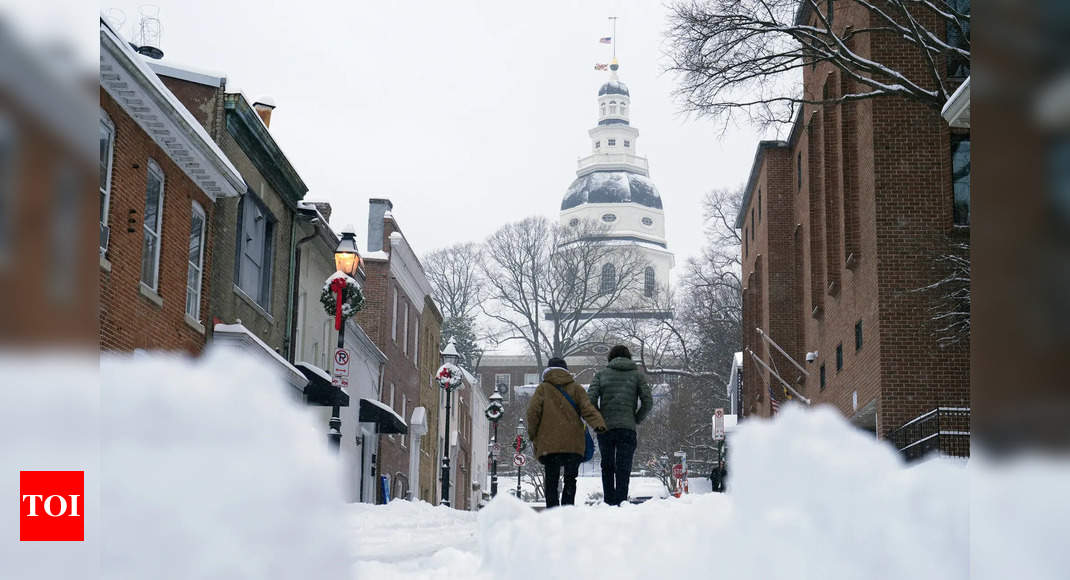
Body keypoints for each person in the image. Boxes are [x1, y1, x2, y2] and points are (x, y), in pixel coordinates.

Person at [526, 357, 607, 508]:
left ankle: (552, 510)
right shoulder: (576, 388)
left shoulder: (542, 389)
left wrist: (532, 434)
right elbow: (587, 409)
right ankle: (568, 510)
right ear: (566, 371)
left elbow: (532, 413)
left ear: (548, 370)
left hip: (548, 444)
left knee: (551, 479)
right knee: (571, 478)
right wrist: (599, 425)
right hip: (573, 443)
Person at [588, 345, 653, 506]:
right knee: (624, 467)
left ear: (610, 358)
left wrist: (599, 419)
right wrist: (636, 418)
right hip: (627, 428)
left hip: (606, 428)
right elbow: (648, 401)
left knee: (607, 466)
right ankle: (622, 502)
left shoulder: (601, 375)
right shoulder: (637, 376)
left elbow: (589, 400)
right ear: (629, 357)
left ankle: (609, 502)